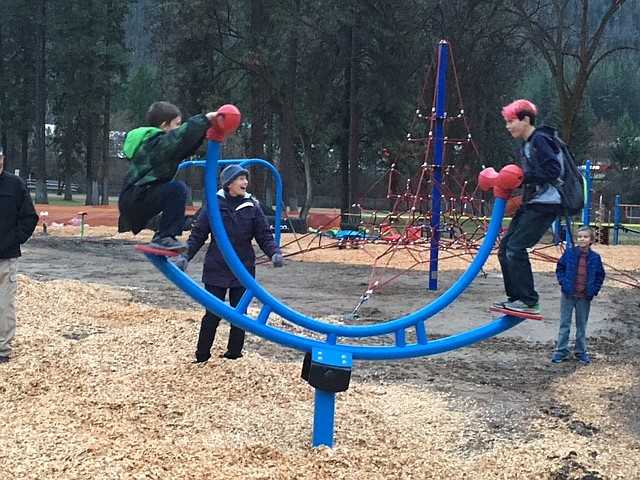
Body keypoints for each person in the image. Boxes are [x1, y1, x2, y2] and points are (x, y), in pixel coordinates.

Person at [175, 165, 284, 362]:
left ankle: (234, 356)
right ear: (229, 183)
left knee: (239, 315)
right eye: (241, 179)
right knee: (212, 315)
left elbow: (264, 235)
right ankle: (202, 357)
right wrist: (185, 256)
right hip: (216, 268)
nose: (245, 182)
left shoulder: (252, 206)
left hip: (242, 270)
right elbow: (198, 235)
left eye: (246, 179)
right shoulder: (214, 205)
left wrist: (274, 253)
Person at [118, 101, 218, 252]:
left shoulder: (158, 146)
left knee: (173, 199)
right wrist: (205, 119)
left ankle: (162, 234)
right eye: (177, 124)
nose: (179, 128)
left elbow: (184, 147)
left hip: (135, 201)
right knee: (177, 189)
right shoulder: (154, 142)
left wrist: (204, 130)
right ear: (165, 125)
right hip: (137, 198)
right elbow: (178, 139)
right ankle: (164, 237)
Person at [494, 99, 563, 315]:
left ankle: (529, 299)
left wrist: (524, 177)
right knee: (505, 248)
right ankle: (515, 297)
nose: (508, 126)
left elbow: (553, 170)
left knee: (516, 248)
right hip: (533, 201)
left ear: (525, 120)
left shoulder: (540, 140)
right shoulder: (526, 143)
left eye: (511, 121)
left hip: (547, 204)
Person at [0, 150, 39, 363]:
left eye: (0, 158)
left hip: (6, 257)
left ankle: (2, 349)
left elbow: (29, 217)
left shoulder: (14, 185)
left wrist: (12, 240)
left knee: (4, 305)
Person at [552, 227, 605, 364]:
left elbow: (600, 275)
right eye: (579, 236)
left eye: (585, 237)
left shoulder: (595, 257)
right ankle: (561, 350)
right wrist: (563, 283)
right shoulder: (570, 253)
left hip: (584, 296)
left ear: (591, 240)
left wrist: (593, 290)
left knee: (581, 325)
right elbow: (560, 268)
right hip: (568, 294)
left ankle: (580, 351)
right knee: (565, 324)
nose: (582, 239)